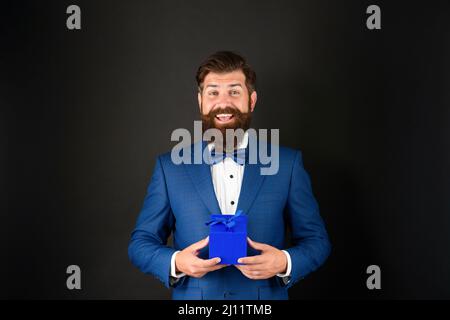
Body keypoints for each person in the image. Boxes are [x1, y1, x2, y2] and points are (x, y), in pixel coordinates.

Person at [128, 51, 331, 300]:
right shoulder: (169, 167)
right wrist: (176, 261)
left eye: (234, 91)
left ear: (252, 100)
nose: (223, 103)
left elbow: (317, 241)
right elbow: (141, 243)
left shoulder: (287, 164)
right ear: (201, 100)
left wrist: (284, 261)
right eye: (213, 92)